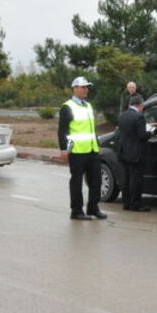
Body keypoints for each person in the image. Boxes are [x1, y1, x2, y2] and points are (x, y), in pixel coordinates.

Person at [58, 76, 108, 221]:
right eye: (83, 87)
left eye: (87, 87)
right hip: (77, 151)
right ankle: (76, 211)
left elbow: (91, 128)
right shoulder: (67, 106)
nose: (86, 90)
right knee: (77, 182)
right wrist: (63, 149)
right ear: (75, 89)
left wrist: (97, 142)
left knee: (96, 181)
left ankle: (93, 208)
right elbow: (63, 130)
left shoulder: (88, 106)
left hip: (92, 150)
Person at [117, 93, 157, 211]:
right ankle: (136, 204)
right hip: (136, 153)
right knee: (136, 180)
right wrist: (151, 132)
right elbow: (142, 136)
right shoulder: (139, 117)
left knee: (126, 178)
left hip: (124, 151)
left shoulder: (122, 116)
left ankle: (126, 203)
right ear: (139, 105)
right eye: (142, 105)